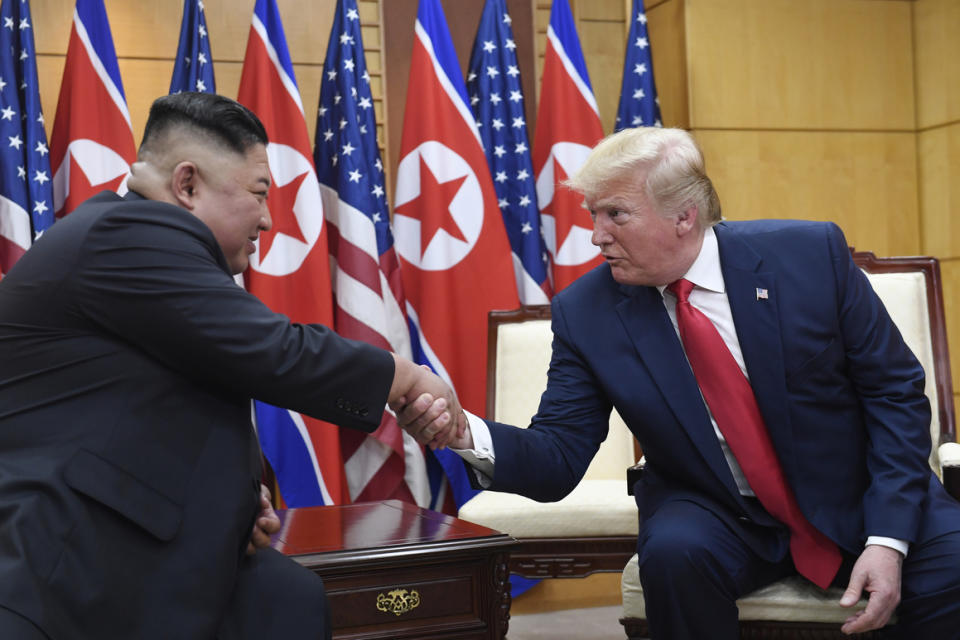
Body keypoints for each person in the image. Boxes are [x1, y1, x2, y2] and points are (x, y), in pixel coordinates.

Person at [400, 127, 960, 638]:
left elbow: (895, 395)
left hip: (852, 488)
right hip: (716, 507)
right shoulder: (587, 312)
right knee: (673, 555)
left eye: (615, 215)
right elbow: (558, 455)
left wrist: (886, 539)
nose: (596, 237)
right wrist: (462, 432)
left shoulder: (809, 257)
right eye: (593, 214)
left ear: (684, 217)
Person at [0, 92, 460, 640]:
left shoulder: (133, 237)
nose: (268, 218)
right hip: (69, 558)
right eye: (258, 193)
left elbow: (149, 403)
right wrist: (404, 378)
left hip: (148, 541)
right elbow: (272, 351)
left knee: (286, 597)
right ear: (187, 185)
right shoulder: (124, 235)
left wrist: (233, 502)